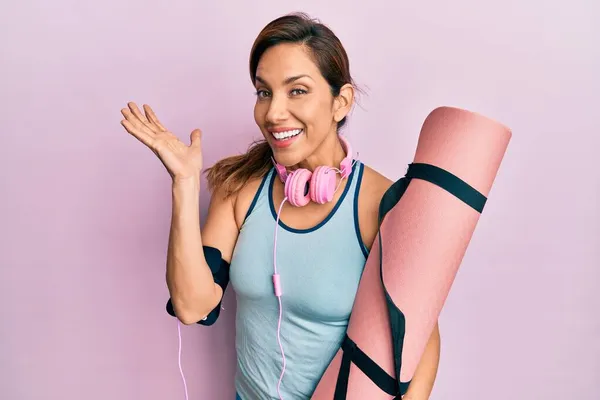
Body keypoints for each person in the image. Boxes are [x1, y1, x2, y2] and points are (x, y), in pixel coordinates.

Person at [120, 12, 440, 400]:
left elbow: (420, 340)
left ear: (341, 102)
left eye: (297, 91)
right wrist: (184, 185)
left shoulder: (383, 205)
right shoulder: (239, 188)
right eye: (264, 92)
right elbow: (193, 306)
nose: (273, 113)